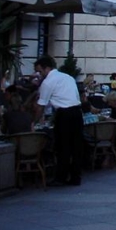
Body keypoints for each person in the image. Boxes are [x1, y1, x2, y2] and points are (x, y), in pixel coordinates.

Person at [32, 55, 85, 186]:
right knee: (76, 146)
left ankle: (61, 177)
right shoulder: (68, 77)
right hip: (77, 112)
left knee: (63, 146)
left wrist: (34, 122)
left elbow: (41, 105)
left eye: (39, 71)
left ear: (46, 68)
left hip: (64, 114)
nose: (39, 74)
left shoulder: (48, 83)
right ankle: (76, 176)